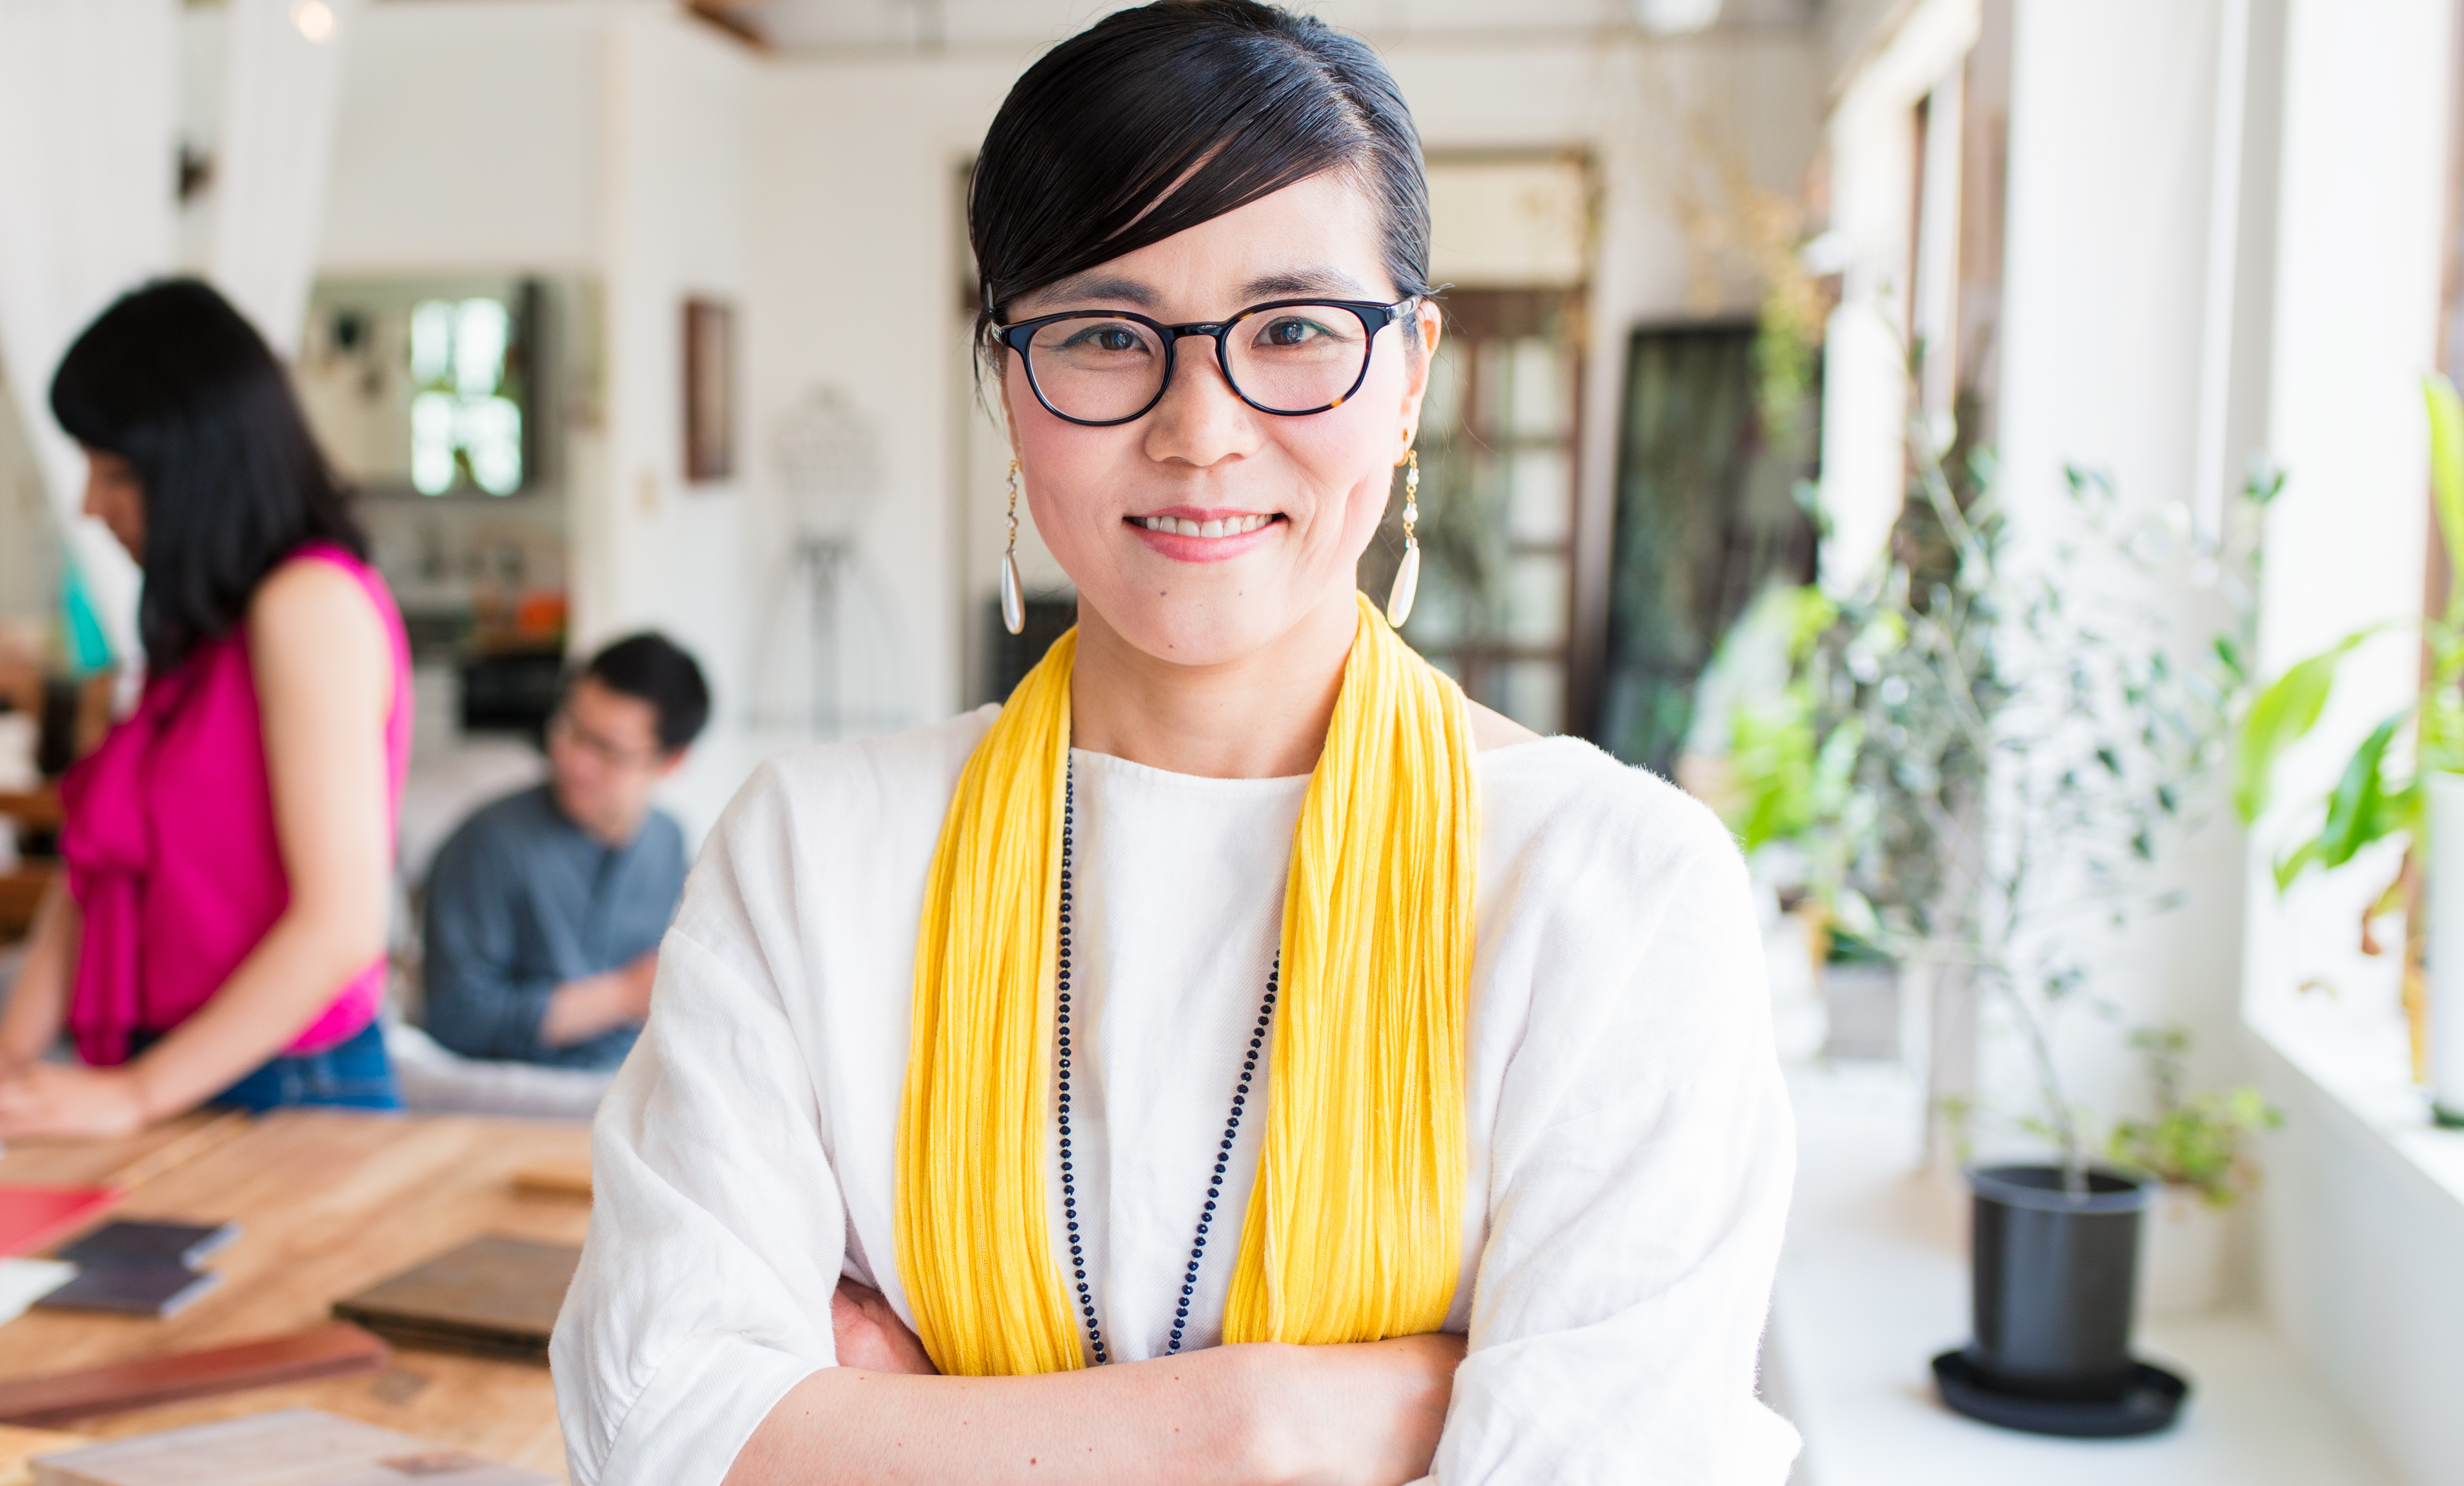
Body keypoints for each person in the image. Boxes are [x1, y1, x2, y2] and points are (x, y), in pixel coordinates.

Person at [549, 6, 1800, 1484]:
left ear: (1407, 374)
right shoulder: (811, 855)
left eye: (1289, 330)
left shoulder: (1612, 889)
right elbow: (657, 1425)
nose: (1198, 427)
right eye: (1099, 333)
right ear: (1007, 384)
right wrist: (1272, 1425)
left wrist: (894, 1421)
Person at [0, 279, 412, 1138]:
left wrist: (134, 1093)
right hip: (184, 1075)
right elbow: (92, 872)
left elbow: (339, 927)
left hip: (288, 1090)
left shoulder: (308, 604)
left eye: (116, 474)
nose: (89, 506)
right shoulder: (203, 636)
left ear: (201, 469)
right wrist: (11, 1053)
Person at [420, 632, 710, 1070]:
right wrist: (622, 995)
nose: (576, 761)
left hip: (636, 1090)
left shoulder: (669, 841)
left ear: (670, 762)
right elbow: (455, 1015)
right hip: (522, 1101)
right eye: (572, 728)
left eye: (608, 750)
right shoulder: (489, 842)